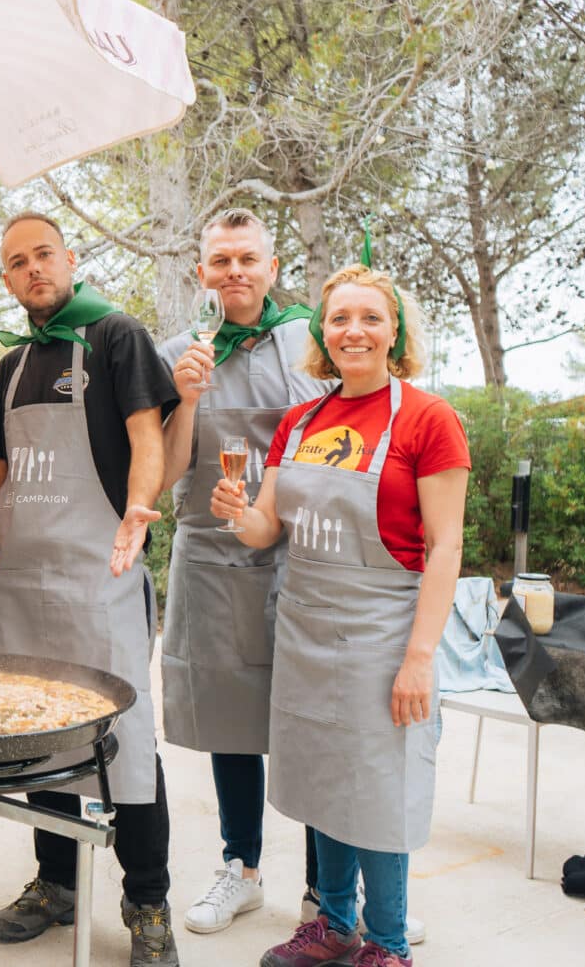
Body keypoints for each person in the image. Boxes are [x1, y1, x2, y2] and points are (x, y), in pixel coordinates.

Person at [0, 212, 182, 966]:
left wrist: (140, 505)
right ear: (5, 279)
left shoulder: (114, 336)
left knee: (124, 743)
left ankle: (149, 902)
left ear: (70, 260)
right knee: (40, 738)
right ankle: (57, 882)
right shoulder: (11, 367)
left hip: (99, 571)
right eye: (16, 262)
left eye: (43, 255)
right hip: (26, 574)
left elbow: (146, 435)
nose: (32, 269)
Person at [211, 264, 469, 967]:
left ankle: (387, 946)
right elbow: (269, 527)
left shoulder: (428, 419)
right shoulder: (300, 421)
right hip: (306, 628)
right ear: (322, 334)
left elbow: (447, 548)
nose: (353, 330)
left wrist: (420, 656)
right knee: (325, 776)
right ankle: (334, 923)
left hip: (385, 633)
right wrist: (239, 517)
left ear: (395, 332)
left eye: (370, 318)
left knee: (380, 788)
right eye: (339, 319)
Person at [156, 209, 324, 935]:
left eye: (247, 259)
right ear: (203, 274)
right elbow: (163, 473)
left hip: (300, 555)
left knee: (313, 719)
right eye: (221, 261)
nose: (235, 272)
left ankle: (329, 890)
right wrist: (185, 397)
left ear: (272, 267)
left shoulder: (314, 343)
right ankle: (241, 869)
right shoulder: (178, 352)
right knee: (229, 718)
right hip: (211, 555)